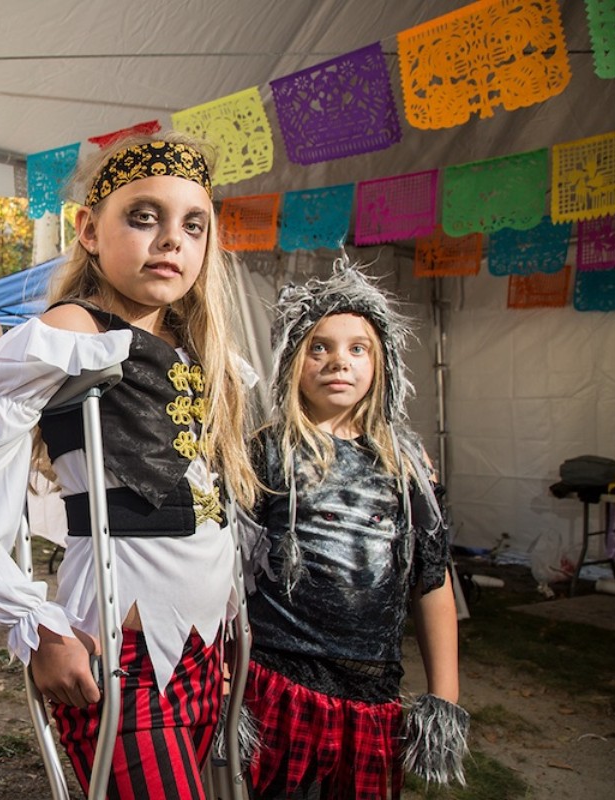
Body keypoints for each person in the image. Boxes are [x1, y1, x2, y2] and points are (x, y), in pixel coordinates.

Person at [0, 133, 258, 797]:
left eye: (193, 224)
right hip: (118, 655)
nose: (170, 241)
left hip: (205, 649)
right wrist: (32, 623)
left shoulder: (196, 347)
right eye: (143, 216)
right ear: (90, 231)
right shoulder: (75, 331)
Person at [242, 260, 467, 798]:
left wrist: (445, 698)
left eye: (357, 348)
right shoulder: (266, 452)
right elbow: (227, 572)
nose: (338, 361)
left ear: (382, 364)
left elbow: (431, 585)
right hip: (279, 687)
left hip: (371, 695)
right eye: (319, 347)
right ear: (292, 363)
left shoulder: (407, 465)